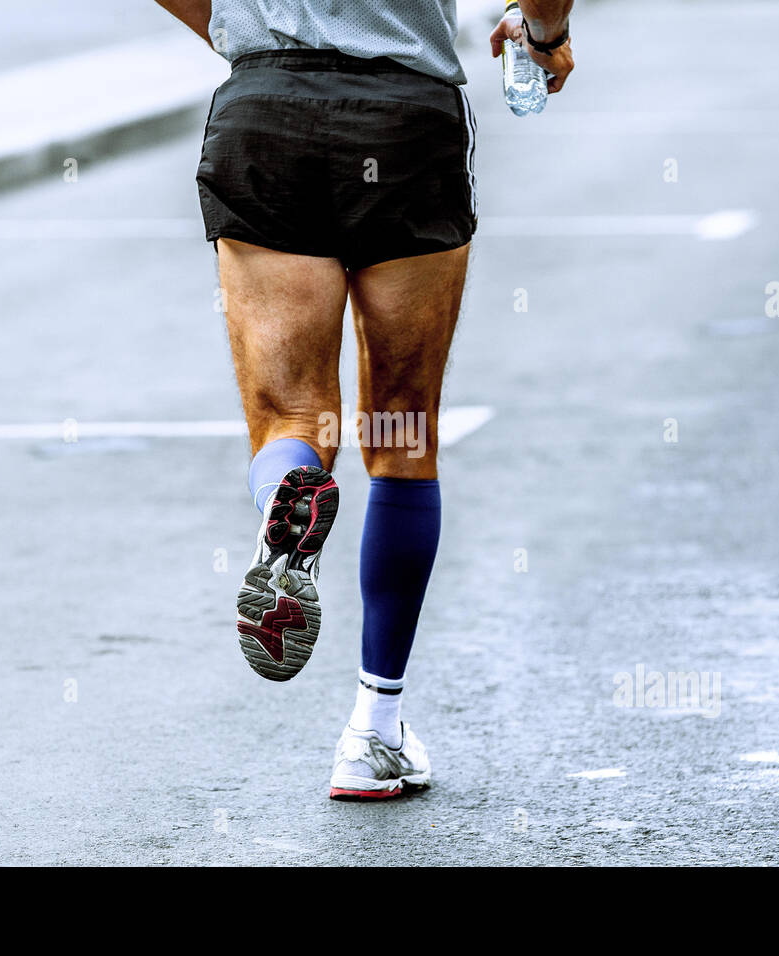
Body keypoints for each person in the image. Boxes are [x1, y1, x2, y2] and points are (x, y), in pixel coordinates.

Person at [153, 0, 575, 798]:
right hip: (404, 121)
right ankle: (374, 733)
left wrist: (243, 35)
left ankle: (289, 493)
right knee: (401, 434)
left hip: (268, 112)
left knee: (292, 421)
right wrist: (545, 35)